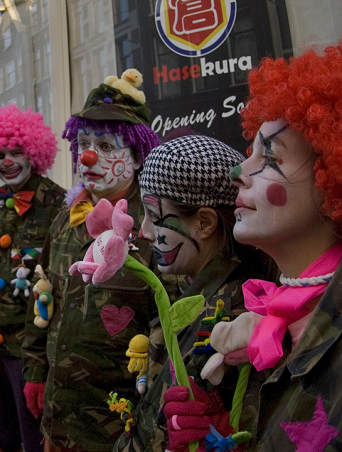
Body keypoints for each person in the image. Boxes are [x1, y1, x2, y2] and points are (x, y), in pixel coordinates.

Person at [160, 43, 342, 452]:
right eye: (250, 152)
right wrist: (223, 431)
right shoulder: (279, 307)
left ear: (331, 184)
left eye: (270, 159)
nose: (237, 173)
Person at [22, 69, 162, 451]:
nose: (88, 156)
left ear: (136, 156)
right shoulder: (67, 221)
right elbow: (43, 296)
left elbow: (167, 334)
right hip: (57, 418)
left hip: (118, 429)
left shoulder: (153, 230)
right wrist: (36, 368)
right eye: (84, 142)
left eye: (104, 145)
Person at [111, 136, 276, 452]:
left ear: (203, 223)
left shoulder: (231, 320)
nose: (143, 231)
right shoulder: (197, 290)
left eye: (152, 214)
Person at [0, 104, 65, 452]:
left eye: (16, 151)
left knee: (34, 435)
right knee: (0, 430)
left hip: (29, 348)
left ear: (34, 152)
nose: (6, 161)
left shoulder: (58, 204)